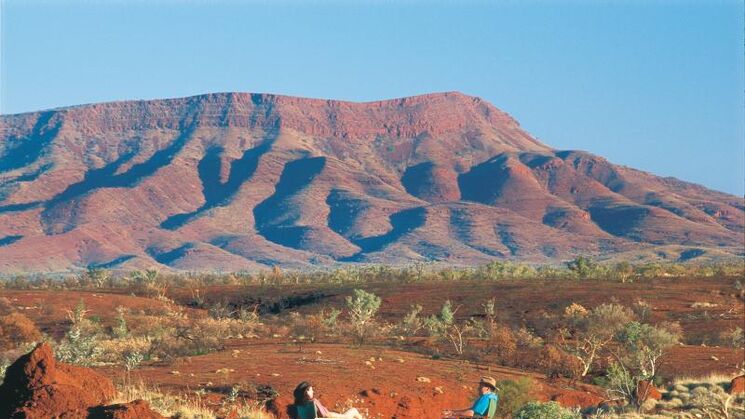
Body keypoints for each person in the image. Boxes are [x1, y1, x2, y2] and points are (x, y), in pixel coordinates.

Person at [289, 381, 364, 419]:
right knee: (353, 410)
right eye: (311, 390)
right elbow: (327, 415)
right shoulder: (313, 401)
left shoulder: (298, 405)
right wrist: (342, 416)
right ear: (306, 392)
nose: (313, 391)